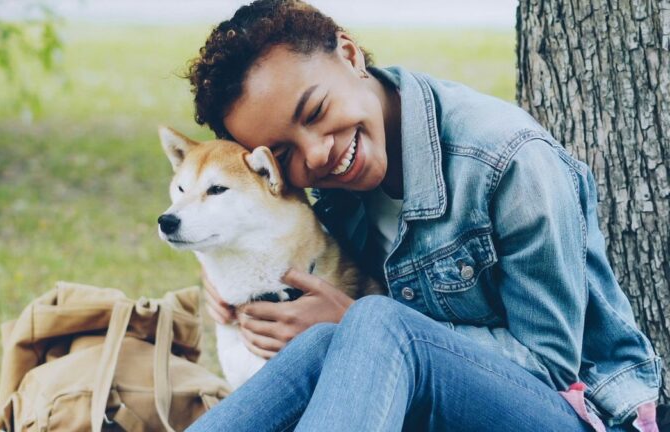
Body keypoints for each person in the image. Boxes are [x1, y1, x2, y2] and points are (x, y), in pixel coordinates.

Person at [182, 1, 662, 431]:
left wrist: (352, 323)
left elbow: (552, 366)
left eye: (316, 111)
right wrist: (236, 284)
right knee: (330, 340)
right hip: (417, 400)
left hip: (572, 411)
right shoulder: (330, 181)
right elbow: (275, 227)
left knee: (372, 324)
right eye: (284, 153)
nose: (317, 153)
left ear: (350, 56)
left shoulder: (509, 161)